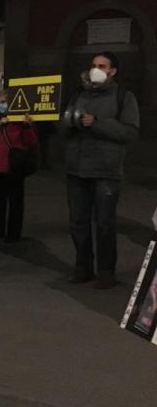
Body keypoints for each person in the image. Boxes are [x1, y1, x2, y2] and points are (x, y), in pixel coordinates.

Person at [61, 52, 139, 288]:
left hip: (106, 171)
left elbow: (130, 132)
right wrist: (69, 122)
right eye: (93, 65)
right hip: (77, 168)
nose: (96, 69)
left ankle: (106, 271)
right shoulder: (79, 94)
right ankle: (82, 267)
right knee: (78, 222)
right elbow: (63, 129)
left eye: (102, 66)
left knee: (105, 223)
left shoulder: (124, 97)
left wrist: (96, 122)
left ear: (112, 71)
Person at [0, 89, 38, 243]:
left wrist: (26, 127)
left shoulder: (21, 122)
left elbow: (30, 141)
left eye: (4, 102)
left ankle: (13, 233)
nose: (1, 105)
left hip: (14, 167)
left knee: (15, 201)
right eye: (0, 102)